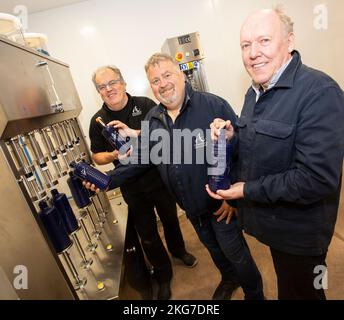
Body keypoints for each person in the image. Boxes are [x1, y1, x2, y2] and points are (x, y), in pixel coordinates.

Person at [86, 54, 264, 300]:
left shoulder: (212, 105)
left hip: (220, 204)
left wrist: (232, 198)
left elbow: (242, 152)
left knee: (237, 254)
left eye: (168, 75)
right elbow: (140, 159)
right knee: (214, 250)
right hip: (192, 208)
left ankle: (255, 294)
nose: (163, 84)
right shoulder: (154, 120)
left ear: (181, 75)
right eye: (156, 80)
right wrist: (106, 180)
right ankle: (229, 278)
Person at [207, 7, 344, 300]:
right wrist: (232, 137)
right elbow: (257, 143)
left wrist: (247, 190)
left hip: (301, 236)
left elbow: (318, 179)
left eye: (264, 41)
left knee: (305, 293)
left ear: (290, 41)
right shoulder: (255, 91)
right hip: (274, 227)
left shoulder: (319, 92)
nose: (253, 53)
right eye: (246, 45)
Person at [89, 65, 197, 300]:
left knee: (170, 219)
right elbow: (96, 156)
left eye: (113, 83)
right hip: (131, 186)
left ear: (123, 83)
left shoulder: (146, 105)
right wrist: (114, 156)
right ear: (99, 92)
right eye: (102, 86)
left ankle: (179, 250)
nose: (109, 89)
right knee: (147, 233)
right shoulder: (97, 120)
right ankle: (163, 273)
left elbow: (161, 134)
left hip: (157, 177)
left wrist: (133, 132)